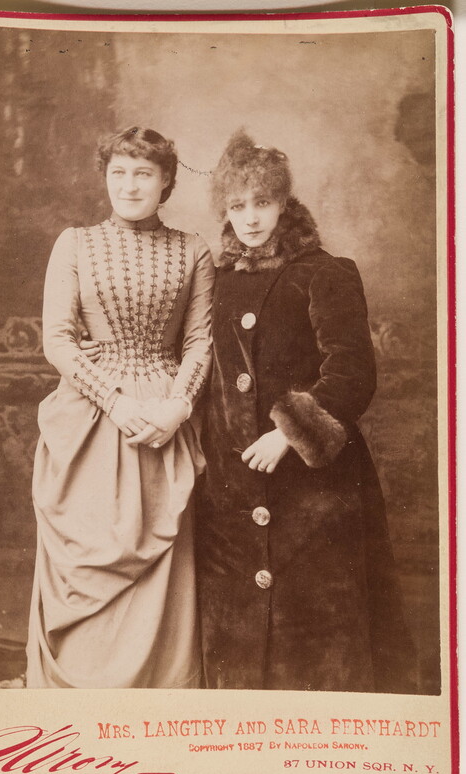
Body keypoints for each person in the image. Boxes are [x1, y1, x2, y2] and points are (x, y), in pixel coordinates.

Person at [196, 129, 416, 692]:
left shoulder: (324, 272)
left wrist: (289, 433)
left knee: (319, 639)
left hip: (314, 490)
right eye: (237, 206)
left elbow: (352, 373)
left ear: (284, 203)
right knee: (238, 644)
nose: (250, 218)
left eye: (262, 203)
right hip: (233, 490)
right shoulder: (219, 282)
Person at [26, 126, 215, 688]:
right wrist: (113, 400)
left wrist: (178, 406)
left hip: (162, 420)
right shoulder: (74, 243)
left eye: (143, 174)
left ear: (166, 182)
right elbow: (58, 340)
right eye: (119, 173)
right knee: (87, 562)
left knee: (160, 578)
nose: (129, 186)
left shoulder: (193, 249)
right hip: (91, 416)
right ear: (106, 177)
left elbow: (199, 341)